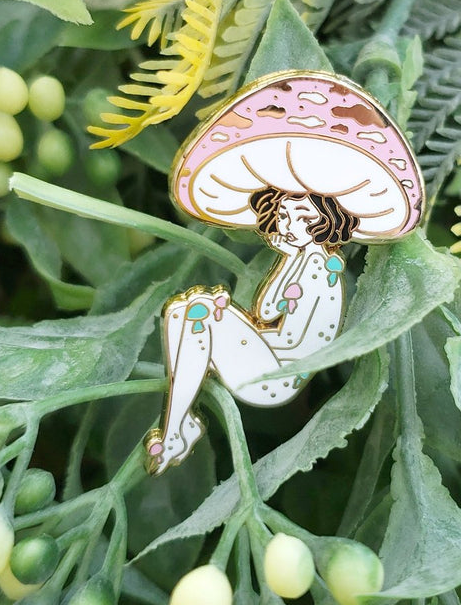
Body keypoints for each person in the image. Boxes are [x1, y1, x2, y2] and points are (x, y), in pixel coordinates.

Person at [145, 187, 359, 475]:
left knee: (202, 316)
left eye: (303, 218)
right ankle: (179, 425)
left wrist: (232, 333)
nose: (288, 225)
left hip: (279, 376)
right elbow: (267, 311)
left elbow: (294, 343)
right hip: (269, 355)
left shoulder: (320, 268)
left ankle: (174, 431)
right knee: (183, 309)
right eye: (284, 215)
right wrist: (285, 259)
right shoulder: (300, 259)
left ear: (323, 222)